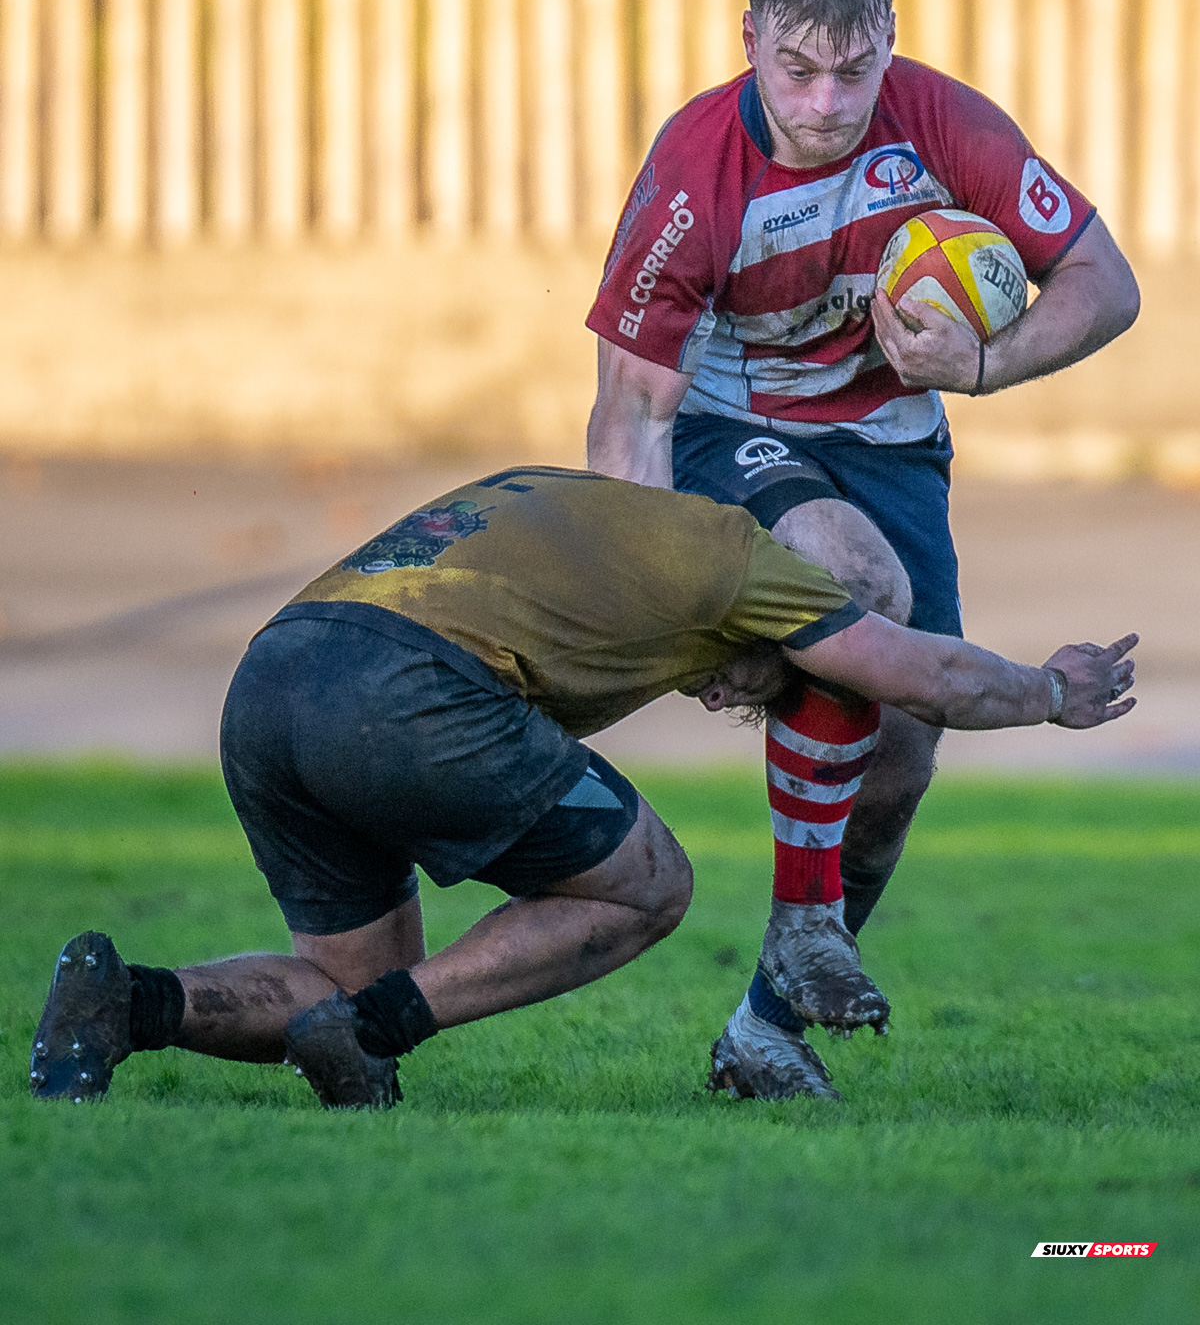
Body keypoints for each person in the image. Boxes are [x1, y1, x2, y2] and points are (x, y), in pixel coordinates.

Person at [31, 466, 1136, 1110]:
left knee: (341, 976)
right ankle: (375, 1029)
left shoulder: (586, 508)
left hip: (268, 682)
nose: (725, 703)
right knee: (649, 884)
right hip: (404, 690)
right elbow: (922, 673)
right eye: (761, 687)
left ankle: (128, 1004)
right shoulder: (746, 562)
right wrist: (1051, 689)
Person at [585, 0, 1141, 1095]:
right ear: (750, 40)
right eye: (797, 69)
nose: (829, 102)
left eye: (855, 69)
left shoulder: (942, 122)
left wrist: (984, 366)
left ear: (890, 38)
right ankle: (800, 923)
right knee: (857, 578)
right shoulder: (695, 171)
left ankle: (762, 1033)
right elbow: (630, 415)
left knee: (897, 756)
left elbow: (1108, 281)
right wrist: (655, 606)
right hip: (733, 433)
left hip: (894, 443)